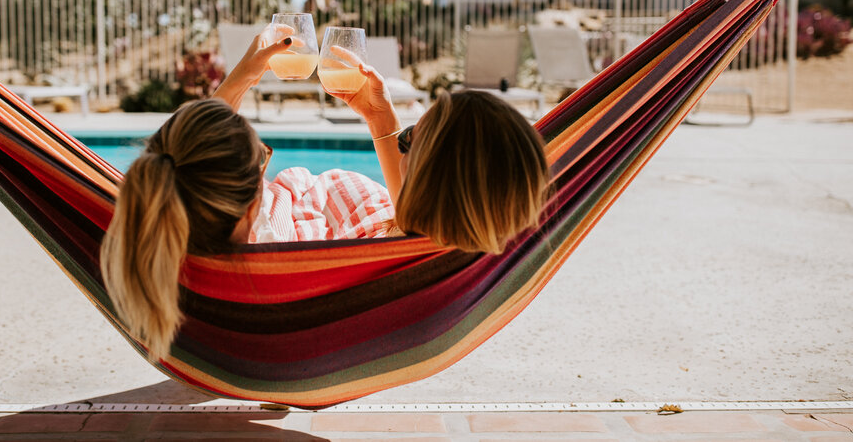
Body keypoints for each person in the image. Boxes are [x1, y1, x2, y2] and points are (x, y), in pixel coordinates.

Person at [101, 26, 549, 360]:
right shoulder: (439, 261)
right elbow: (415, 220)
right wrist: (382, 121)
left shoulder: (252, 252)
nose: (401, 141)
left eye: (411, 138)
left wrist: (238, 82)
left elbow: (193, 165)